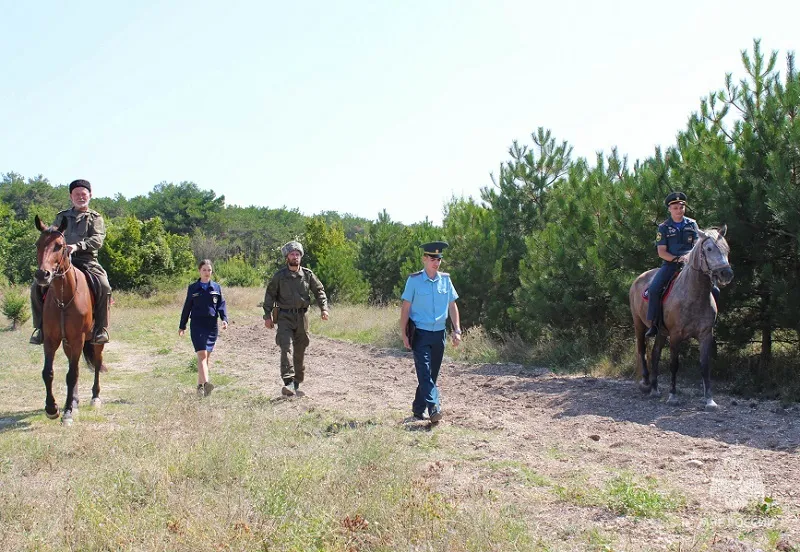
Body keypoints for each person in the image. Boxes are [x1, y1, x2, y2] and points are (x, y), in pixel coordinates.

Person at [30, 179, 112, 345]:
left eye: (84, 194)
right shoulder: (62, 216)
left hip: (87, 261)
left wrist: (77, 246)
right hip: (61, 262)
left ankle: (100, 329)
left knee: (104, 285)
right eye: (77, 194)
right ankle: (39, 328)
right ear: (71, 196)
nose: (80, 197)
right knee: (35, 287)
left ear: (90, 195)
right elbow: (53, 235)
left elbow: (98, 240)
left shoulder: (95, 217)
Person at [399, 241, 461, 424]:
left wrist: (457, 329)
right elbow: (405, 308)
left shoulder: (446, 280)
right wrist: (404, 333)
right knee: (424, 373)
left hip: (439, 334)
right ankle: (434, 407)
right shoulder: (414, 280)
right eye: (433, 258)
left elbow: (452, 305)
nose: (436, 262)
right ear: (424, 259)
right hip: (420, 334)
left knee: (431, 375)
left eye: (439, 259)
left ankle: (418, 409)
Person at [263, 241, 329, 396]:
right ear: (287, 257)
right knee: (285, 347)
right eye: (292, 254)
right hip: (284, 316)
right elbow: (270, 295)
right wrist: (267, 316)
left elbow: (319, 291)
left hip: (302, 317)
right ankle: (288, 382)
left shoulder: (307, 275)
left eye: (297, 254)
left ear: (301, 256)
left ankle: (296, 383)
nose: (295, 257)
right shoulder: (279, 276)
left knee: (300, 350)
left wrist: (324, 308)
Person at [645, 191, 700, 338]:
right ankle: (654, 324)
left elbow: (697, 246)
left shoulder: (692, 224)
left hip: (691, 265)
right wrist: (678, 259)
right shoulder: (663, 227)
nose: (679, 210)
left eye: (681, 207)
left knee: (714, 290)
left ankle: (708, 321)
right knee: (654, 289)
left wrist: (689, 257)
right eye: (675, 208)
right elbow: (662, 252)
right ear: (669, 209)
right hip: (671, 265)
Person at [179, 259, 228, 397]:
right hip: (197, 324)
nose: (207, 273)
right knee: (202, 355)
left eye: (209, 270)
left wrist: (224, 319)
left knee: (207, 358)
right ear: (199, 271)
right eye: (204, 270)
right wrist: (182, 325)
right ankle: (207, 384)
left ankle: (199, 388)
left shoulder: (216, 288)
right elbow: (187, 307)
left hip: (211, 326)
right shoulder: (193, 288)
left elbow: (221, 305)